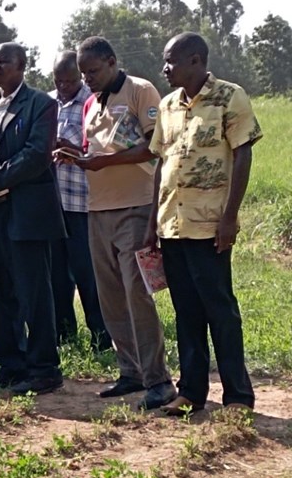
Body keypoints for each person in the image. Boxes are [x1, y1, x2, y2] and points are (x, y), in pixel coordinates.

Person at [146, 32, 260, 415]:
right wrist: (152, 222)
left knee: (219, 310)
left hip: (210, 225)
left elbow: (242, 156)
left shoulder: (230, 97)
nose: (165, 68)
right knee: (186, 311)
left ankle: (238, 397)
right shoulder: (166, 106)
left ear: (195, 60)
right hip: (172, 225)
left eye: (171, 60)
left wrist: (229, 217)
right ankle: (191, 393)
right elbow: (161, 164)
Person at [66, 36, 175, 410]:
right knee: (109, 295)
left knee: (136, 293)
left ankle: (158, 380)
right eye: (83, 73)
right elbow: (96, 149)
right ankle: (130, 371)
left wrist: (101, 163)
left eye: (93, 71)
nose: (87, 79)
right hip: (98, 209)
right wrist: (76, 156)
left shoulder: (141, 91)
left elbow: (153, 148)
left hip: (136, 206)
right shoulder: (91, 105)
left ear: (112, 61)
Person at [0, 42, 66, 395]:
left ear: (22, 65)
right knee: (0, 292)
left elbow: (37, 155)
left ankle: (43, 369)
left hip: (25, 212)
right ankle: (11, 364)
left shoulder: (40, 104)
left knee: (32, 291)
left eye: (2, 61)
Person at [49, 51, 111, 351]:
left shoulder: (94, 103)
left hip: (83, 205)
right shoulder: (47, 103)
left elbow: (101, 151)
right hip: (53, 206)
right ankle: (65, 336)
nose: (63, 87)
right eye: (58, 81)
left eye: (70, 81)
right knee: (57, 276)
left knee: (89, 275)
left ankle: (101, 337)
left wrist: (72, 150)